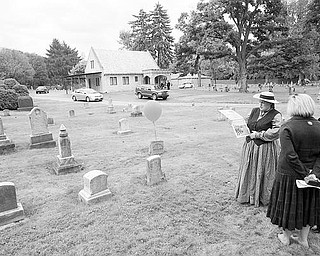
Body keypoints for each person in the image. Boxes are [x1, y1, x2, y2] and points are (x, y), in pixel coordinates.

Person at [267, 94, 320, 248]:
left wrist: (306, 174)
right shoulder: (318, 125)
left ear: (293, 107)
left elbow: (290, 155)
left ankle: (285, 237)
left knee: (289, 206)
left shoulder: (287, 126)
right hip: (312, 175)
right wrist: (313, 174)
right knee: (308, 206)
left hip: (290, 174)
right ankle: (303, 239)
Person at [235, 91, 282, 207]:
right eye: (260, 102)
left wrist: (257, 135)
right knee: (249, 169)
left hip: (265, 149)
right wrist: (238, 125)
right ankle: (248, 195)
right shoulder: (254, 111)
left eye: (263, 102)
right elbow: (246, 123)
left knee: (263, 171)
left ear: (270, 104)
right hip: (250, 147)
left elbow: (275, 133)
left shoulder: (276, 115)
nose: (260, 104)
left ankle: (263, 197)